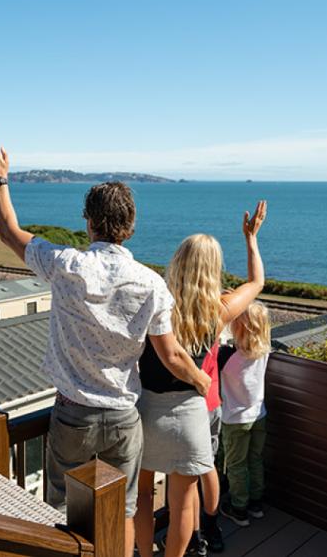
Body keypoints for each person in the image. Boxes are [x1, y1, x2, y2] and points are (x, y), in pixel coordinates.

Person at [0, 136, 211, 557]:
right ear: (131, 225)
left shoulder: (67, 265)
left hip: (72, 414)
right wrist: (201, 380)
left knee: (63, 513)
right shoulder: (152, 284)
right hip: (124, 418)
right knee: (121, 510)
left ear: (88, 222)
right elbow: (172, 355)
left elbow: (9, 233)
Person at [134, 201, 267, 557]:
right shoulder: (218, 309)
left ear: (177, 262)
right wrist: (250, 239)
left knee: (143, 495)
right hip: (190, 413)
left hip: (147, 409)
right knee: (182, 503)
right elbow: (257, 282)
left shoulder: (156, 303)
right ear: (213, 269)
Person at [218, 301, 272, 528]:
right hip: (259, 414)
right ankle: (256, 503)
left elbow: (214, 346)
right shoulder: (265, 351)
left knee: (236, 465)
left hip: (235, 420)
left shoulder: (227, 357)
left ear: (237, 328)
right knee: (255, 460)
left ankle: (239, 508)